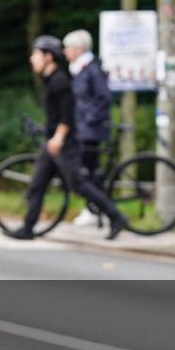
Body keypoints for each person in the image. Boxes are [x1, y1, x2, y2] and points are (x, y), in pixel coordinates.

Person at [13, 35, 127, 241]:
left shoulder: (60, 81)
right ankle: (28, 227)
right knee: (37, 183)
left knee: (79, 184)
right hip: (53, 142)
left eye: (36, 55)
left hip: (63, 143)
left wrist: (58, 137)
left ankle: (116, 216)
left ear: (48, 57)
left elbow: (67, 114)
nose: (32, 59)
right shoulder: (51, 80)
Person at [63, 29, 113, 227]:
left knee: (87, 172)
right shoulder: (79, 70)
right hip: (84, 128)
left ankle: (93, 209)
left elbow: (103, 97)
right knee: (89, 171)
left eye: (68, 47)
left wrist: (88, 119)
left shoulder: (91, 69)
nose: (65, 51)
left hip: (90, 129)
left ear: (78, 49)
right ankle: (97, 209)